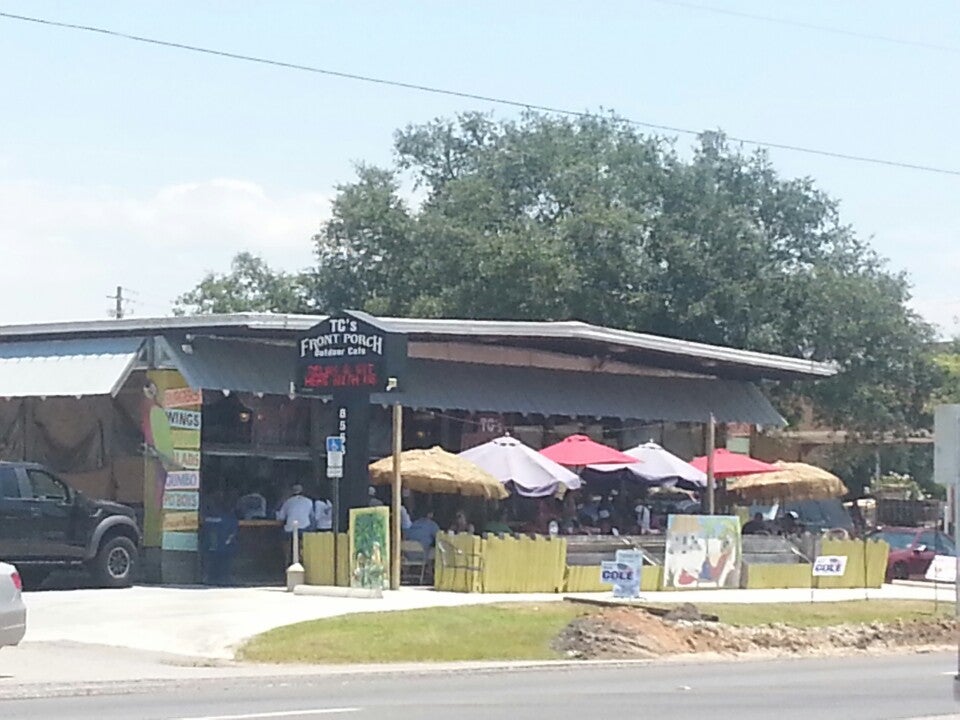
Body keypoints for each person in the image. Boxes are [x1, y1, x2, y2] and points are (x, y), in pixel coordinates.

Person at [276, 483, 313, 564]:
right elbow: (312, 516)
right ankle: (303, 557)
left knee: (284, 539)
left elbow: (281, 517)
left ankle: (287, 559)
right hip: (304, 528)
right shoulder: (309, 501)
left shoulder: (288, 502)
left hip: (290, 529)